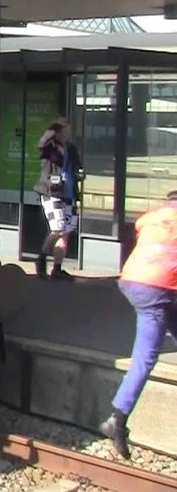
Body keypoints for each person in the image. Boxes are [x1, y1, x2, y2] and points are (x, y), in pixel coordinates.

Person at [99, 190, 177, 460]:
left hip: (135, 281)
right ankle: (117, 420)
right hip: (158, 289)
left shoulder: (154, 217)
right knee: (145, 357)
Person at [33, 119, 77, 280]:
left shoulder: (71, 148)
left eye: (69, 130)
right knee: (58, 228)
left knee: (65, 232)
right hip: (52, 193)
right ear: (58, 132)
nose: (67, 133)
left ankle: (57, 269)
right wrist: (53, 128)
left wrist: (79, 174)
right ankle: (41, 259)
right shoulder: (49, 147)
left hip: (69, 193)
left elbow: (77, 166)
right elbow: (40, 144)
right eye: (64, 130)